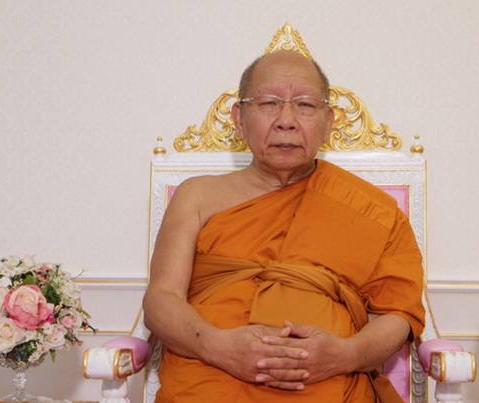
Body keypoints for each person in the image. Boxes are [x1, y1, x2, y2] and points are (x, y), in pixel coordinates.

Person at [142, 50, 425, 403]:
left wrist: (344, 355)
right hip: (211, 373)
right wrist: (219, 347)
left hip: (328, 381)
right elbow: (161, 298)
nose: (286, 121)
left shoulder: (375, 211)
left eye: (305, 104)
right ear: (239, 119)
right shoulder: (196, 196)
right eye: (268, 103)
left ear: (329, 122)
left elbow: (398, 315)